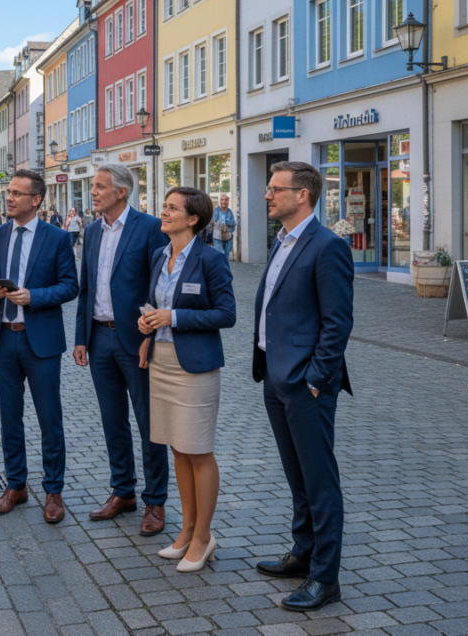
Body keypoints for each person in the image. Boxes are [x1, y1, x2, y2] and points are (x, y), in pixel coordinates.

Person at [253, 161, 354, 613]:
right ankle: (303, 553)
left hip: (304, 382)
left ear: (303, 196)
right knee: (297, 477)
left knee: (320, 481)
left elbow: (337, 323)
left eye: (276, 189)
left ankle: (324, 577)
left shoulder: (327, 245)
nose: (268, 195)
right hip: (275, 377)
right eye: (270, 188)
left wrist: (315, 380)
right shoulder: (282, 241)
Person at [137, 187, 236, 572]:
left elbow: (226, 314)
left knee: (198, 449)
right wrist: (147, 327)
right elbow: (154, 305)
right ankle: (187, 528)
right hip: (161, 361)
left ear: (193, 218)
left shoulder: (210, 260)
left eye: (172, 208)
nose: (163, 212)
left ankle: (204, 536)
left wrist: (173, 318)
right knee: (177, 448)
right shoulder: (161, 255)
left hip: (194, 367)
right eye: (164, 206)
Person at [0, 170, 79, 524]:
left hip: (41, 340)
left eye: (17, 193)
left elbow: (70, 286)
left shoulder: (56, 238)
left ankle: (53, 491)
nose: (10, 198)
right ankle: (15, 486)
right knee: (9, 418)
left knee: (50, 419)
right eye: (9, 192)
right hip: (2, 337)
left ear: (36, 200)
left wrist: (34, 296)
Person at [74, 164, 170, 536]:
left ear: (121, 192)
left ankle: (155, 501)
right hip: (99, 339)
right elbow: (87, 289)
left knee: (150, 425)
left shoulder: (148, 228)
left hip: (136, 341)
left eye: (99, 187)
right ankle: (123, 491)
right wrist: (82, 337)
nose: (93, 192)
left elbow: (159, 287)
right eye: (93, 186)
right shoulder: (93, 230)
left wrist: (149, 335)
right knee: (113, 421)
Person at [211, 194, 237, 265]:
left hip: (228, 237)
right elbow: (212, 223)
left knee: (226, 256)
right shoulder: (216, 211)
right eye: (222, 200)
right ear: (220, 201)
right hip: (217, 237)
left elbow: (233, 224)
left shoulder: (230, 212)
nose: (224, 202)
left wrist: (229, 231)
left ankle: (225, 272)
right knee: (219, 254)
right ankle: (218, 272)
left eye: (226, 200)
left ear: (228, 201)